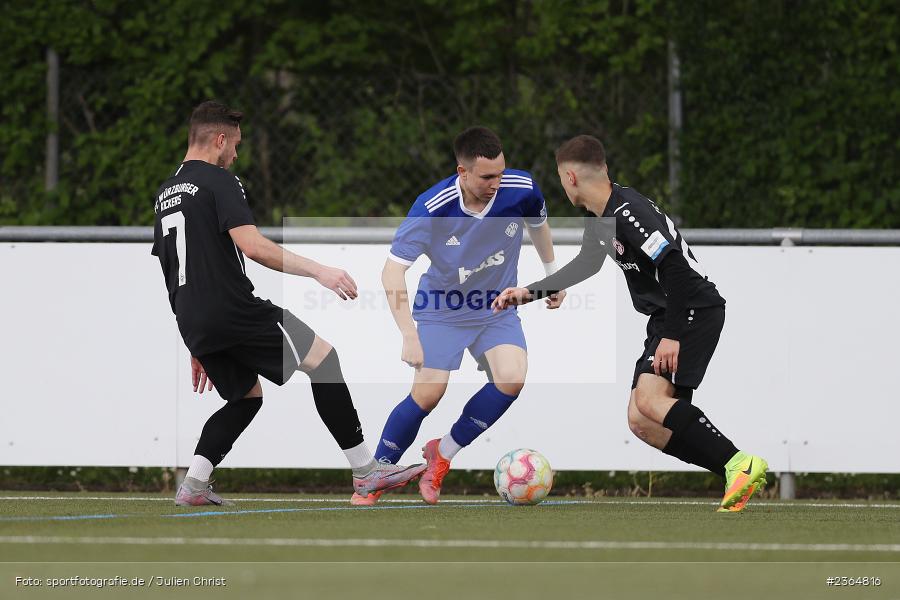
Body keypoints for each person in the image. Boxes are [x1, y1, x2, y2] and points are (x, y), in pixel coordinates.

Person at [151, 100, 425, 506]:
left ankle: (194, 484)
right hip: (233, 309)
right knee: (324, 360)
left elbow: (171, 270)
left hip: (194, 317)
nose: (236, 155)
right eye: (236, 145)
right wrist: (320, 271)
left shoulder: (165, 194)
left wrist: (195, 338)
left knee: (245, 397)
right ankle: (366, 472)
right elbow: (254, 246)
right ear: (220, 139)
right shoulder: (219, 180)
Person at [492, 135, 767, 512]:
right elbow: (589, 263)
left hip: (690, 312)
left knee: (650, 401)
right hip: (668, 316)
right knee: (642, 421)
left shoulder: (628, 212)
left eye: (560, 179)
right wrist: (531, 292)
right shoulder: (601, 215)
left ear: (570, 177)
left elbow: (674, 268)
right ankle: (734, 473)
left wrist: (673, 335)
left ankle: (740, 464)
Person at [356, 126, 565, 506]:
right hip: (443, 308)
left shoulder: (521, 188)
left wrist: (554, 277)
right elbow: (391, 271)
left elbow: (539, 226)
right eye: (487, 177)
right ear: (462, 172)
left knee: (512, 378)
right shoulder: (432, 208)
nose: (496, 184)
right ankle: (375, 475)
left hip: (495, 306)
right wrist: (408, 334)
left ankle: (443, 453)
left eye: (500, 173)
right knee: (429, 393)